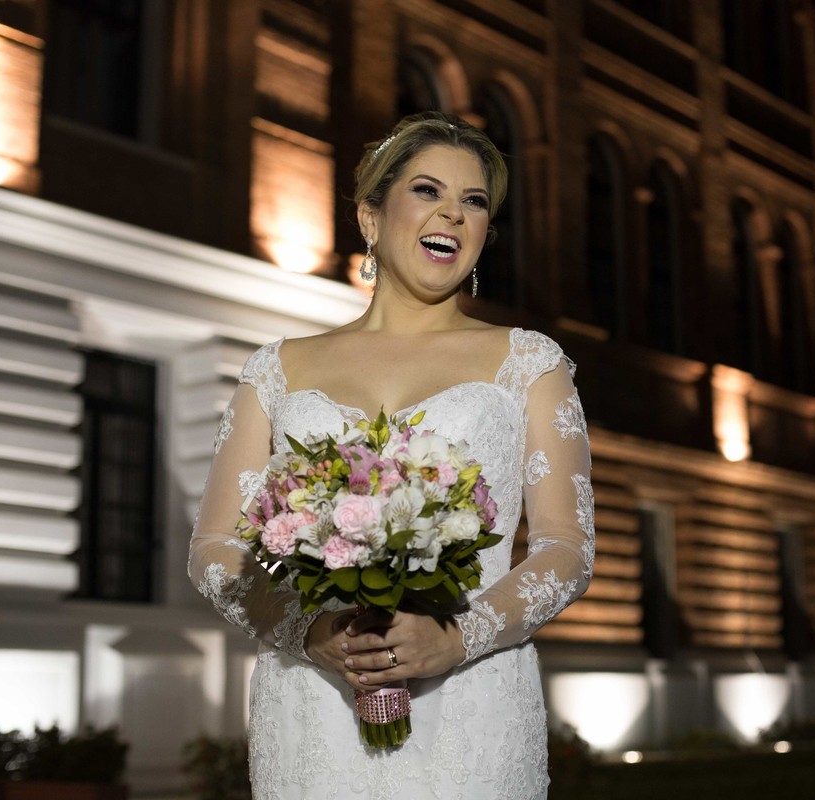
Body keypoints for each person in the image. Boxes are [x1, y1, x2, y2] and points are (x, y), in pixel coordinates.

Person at [188, 111, 594, 799]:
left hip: (472, 703)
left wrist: (459, 635)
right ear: (370, 218)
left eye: (474, 203)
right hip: (314, 707)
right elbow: (215, 547)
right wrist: (309, 629)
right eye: (428, 191)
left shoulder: (527, 363)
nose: (454, 215)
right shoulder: (276, 370)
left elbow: (564, 547)